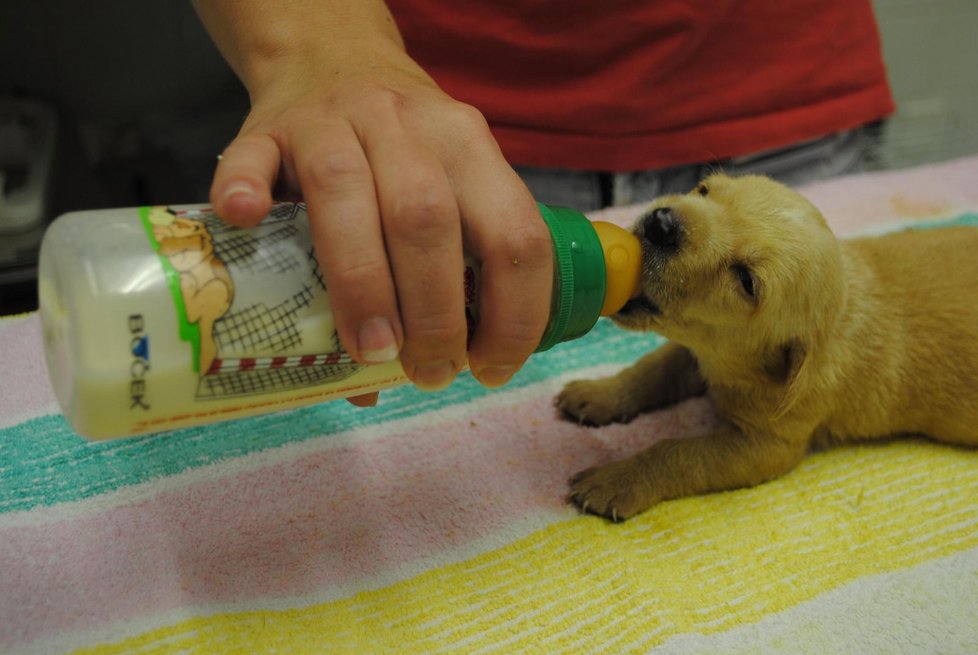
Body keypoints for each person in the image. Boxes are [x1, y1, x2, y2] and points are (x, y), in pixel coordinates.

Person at [191, 0, 894, 404]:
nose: (674, 219)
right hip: (441, 131)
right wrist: (323, 47)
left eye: (745, 276)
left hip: (783, 105)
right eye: (703, 197)